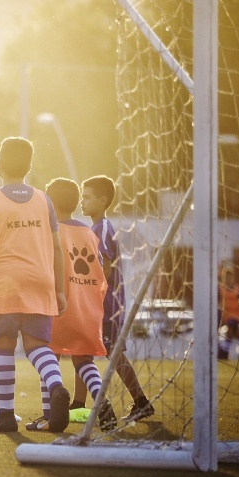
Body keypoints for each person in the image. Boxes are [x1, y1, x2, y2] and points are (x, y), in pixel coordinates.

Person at [0, 137, 71, 433]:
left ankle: (5, 415)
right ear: (29, 167)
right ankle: (55, 386)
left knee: (2, 345)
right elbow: (56, 248)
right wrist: (60, 289)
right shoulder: (45, 199)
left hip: (6, 284)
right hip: (41, 282)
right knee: (37, 346)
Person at [24, 178, 117, 432]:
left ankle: (49, 414)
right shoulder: (90, 233)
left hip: (59, 307)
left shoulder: (50, 233)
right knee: (84, 360)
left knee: (48, 355)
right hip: (88, 309)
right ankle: (100, 399)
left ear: (50, 204)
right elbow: (101, 276)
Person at [80, 175, 155, 421]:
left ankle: (141, 401)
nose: (82, 200)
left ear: (103, 201)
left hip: (106, 304)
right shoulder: (96, 227)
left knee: (113, 354)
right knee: (84, 350)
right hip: (103, 303)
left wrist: (90, 294)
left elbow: (105, 268)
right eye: (82, 195)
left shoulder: (100, 228)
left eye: (87, 196)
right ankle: (77, 403)